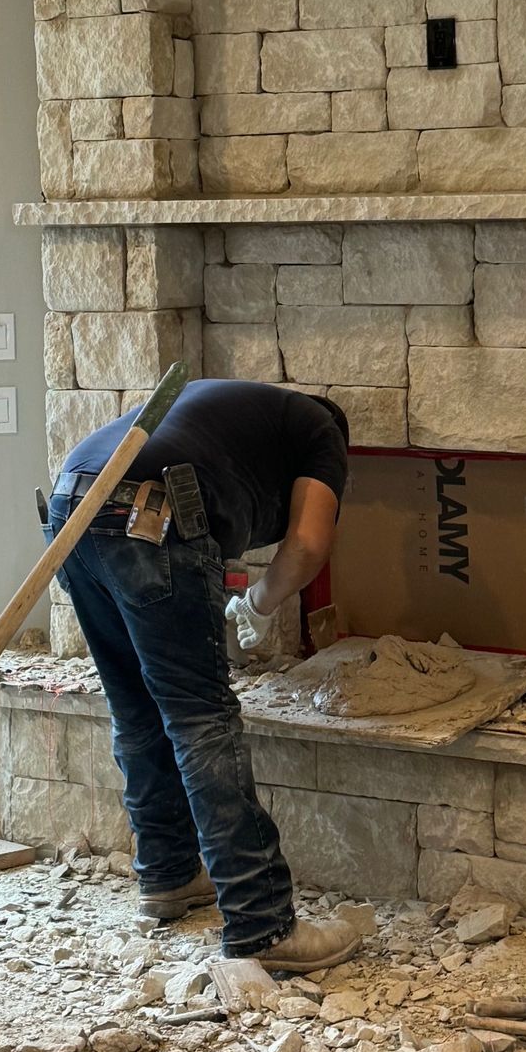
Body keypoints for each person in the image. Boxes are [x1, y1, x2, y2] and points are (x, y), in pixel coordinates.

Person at [43, 378, 362, 973]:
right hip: (152, 515)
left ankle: (168, 874)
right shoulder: (323, 430)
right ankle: (261, 923)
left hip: (72, 507)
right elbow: (310, 541)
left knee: (137, 705)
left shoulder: (228, 410)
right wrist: (258, 605)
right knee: (202, 719)